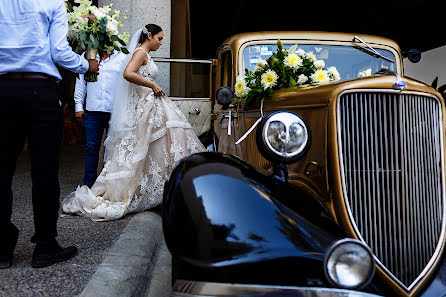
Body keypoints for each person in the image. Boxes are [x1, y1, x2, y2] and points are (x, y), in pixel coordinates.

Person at [62, 24, 206, 221]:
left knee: (161, 145)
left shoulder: (144, 52)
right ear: (149, 35)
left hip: (150, 105)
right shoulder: (140, 52)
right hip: (144, 106)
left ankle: (170, 187)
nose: (161, 43)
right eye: (160, 38)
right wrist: (153, 84)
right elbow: (128, 73)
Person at [0, 0, 99, 269]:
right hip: (39, 91)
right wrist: (85, 65)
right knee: (44, 172)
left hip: (2, 91)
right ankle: (45, 245)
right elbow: (59, 52)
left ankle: (1, 247)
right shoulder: (52, 2)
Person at [74, 50, 127, 187]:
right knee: (91, 148)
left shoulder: (122, 57)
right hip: (92, 110)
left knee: (113, 148)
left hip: (114, 110)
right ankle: (89, 183)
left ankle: (109, 183)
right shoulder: (86, 56)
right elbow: (80, 82)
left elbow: (126, 84)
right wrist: (78, 106)